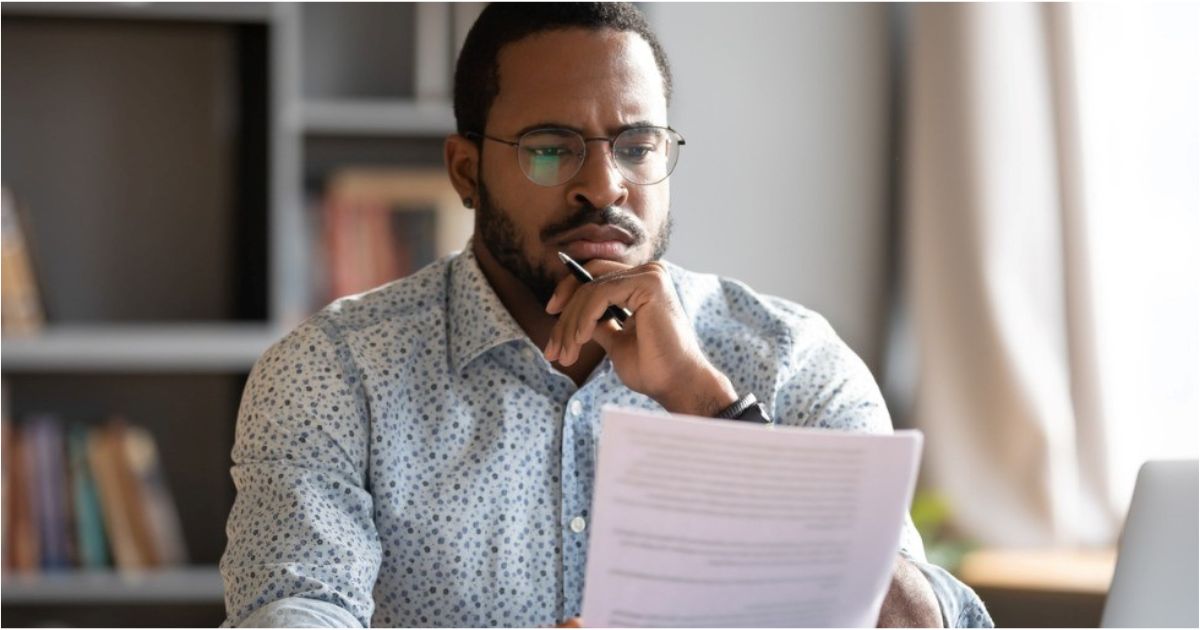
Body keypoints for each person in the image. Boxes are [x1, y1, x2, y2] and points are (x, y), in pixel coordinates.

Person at [220, 4, 992, 627]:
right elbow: (293, 610)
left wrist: (704, 401)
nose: (604, 185)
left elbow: (923, 623)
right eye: (551, 149)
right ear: (466, 171)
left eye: (636, 145)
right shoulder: (332, 374)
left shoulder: (790, 362)